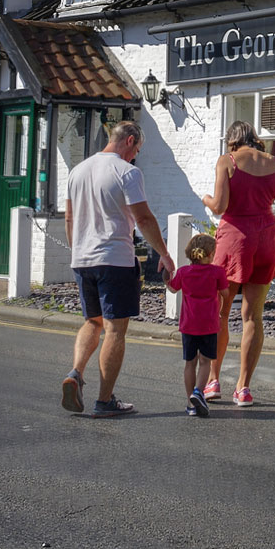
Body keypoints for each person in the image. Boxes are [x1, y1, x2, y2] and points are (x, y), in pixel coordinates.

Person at [60, 120, 175, 418]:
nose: (136, 154)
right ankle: (104, 400)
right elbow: (144, 219)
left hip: (82, 260)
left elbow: (69, 219)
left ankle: (75, 373)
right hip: (115, 259)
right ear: (130, 140)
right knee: (114, 329)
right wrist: (164, 254)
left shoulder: (77, 171)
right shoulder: (128, 172)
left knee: (92, 322)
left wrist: (78, 251)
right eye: (137, 148)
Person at [203, 120, 275, 406]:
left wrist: (205, 199)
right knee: (253, 316)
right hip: (267, 236)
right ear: (255, 139)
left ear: (232, 141)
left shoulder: (227, 161)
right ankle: (243, 388)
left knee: (220, 312)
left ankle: (213, 380)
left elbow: (220, 206)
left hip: (235, 238)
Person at [166, 232, 228, 417]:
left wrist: (166, 277)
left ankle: (190, 403)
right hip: (209, 323)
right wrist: (221, 309)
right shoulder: (217, 272)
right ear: (210, 254)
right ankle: (198, 392)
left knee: (189, 363)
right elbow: (225, 293)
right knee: (205, 361)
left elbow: (172, 287)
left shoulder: (184, 272)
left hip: (188, 324)